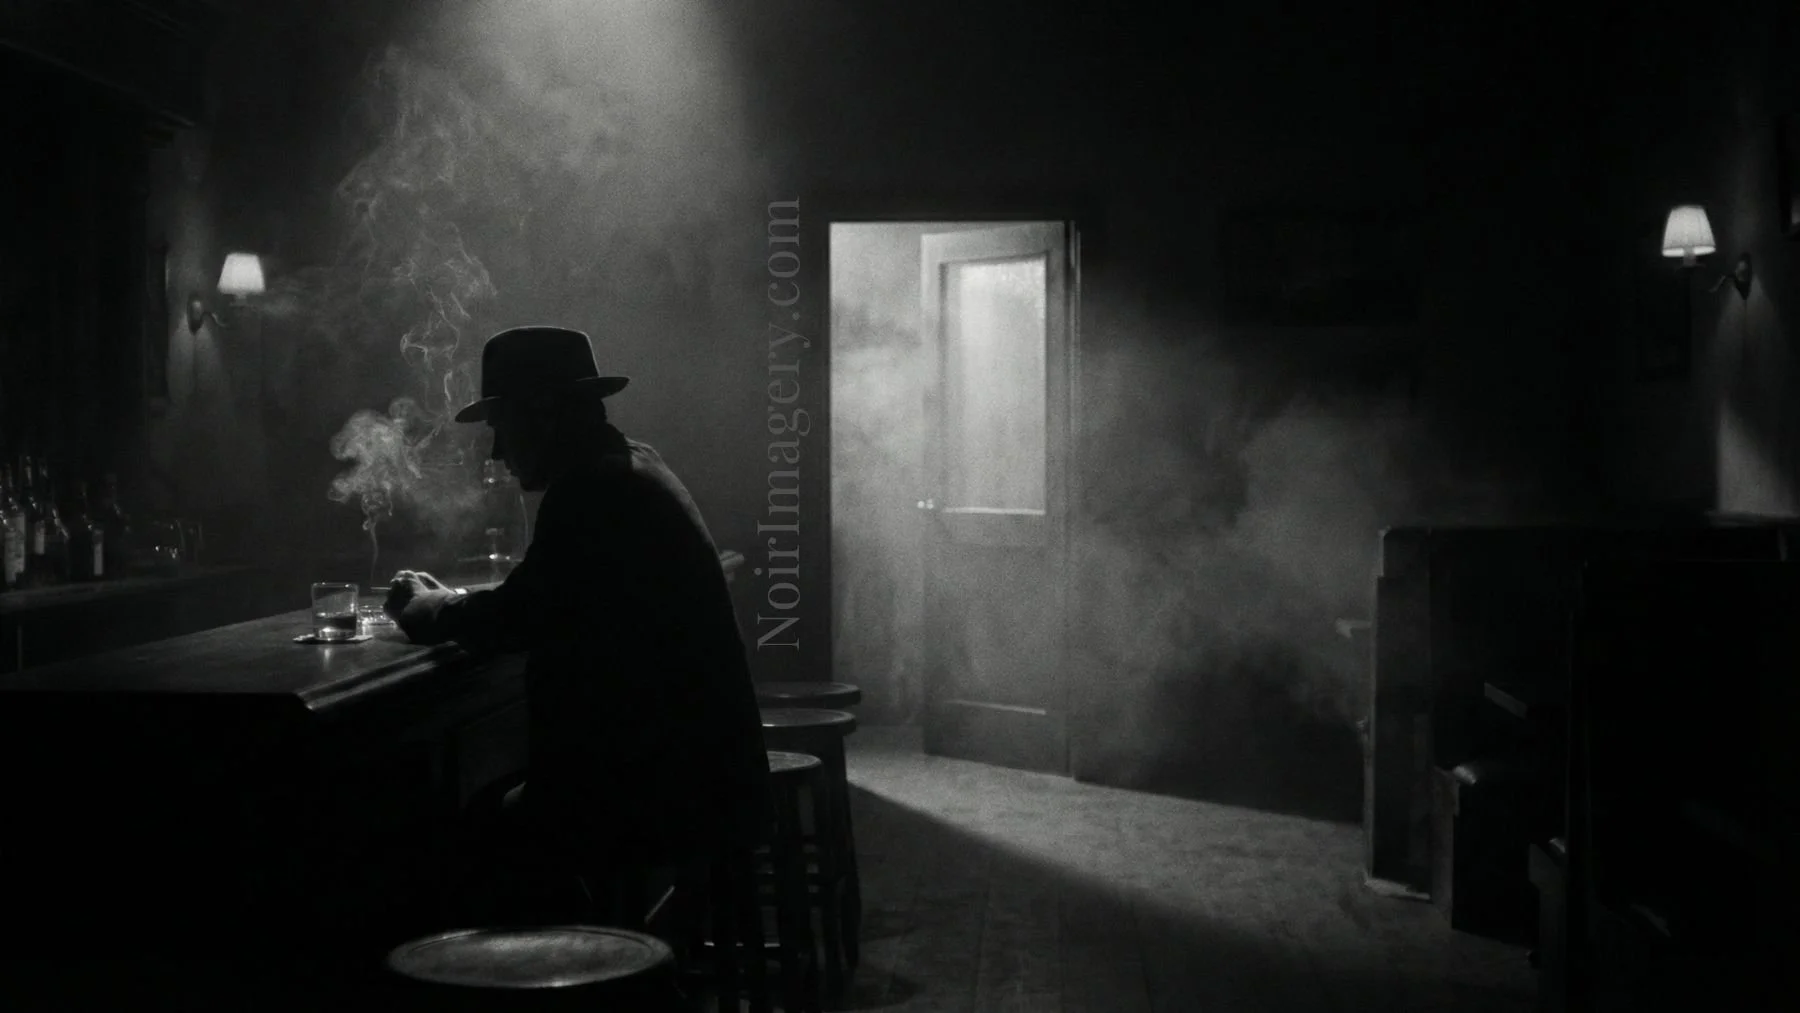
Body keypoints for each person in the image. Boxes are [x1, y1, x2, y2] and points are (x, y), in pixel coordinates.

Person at [384, 324, 771, 926]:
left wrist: (432, 610)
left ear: (543, 413)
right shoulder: (632, 463)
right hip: (705, 770)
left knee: (457, 839)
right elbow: (550, 597)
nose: (496, 453)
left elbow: (519, 617)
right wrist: (463, 605)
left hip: (666, 788)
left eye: (500, 427)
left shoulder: (593, 488)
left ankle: (575, 980)